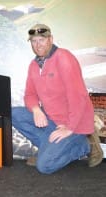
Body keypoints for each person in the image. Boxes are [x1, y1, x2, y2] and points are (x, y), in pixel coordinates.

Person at [11, 24, 103, 174]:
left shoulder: (64, 57)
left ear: (51, 39)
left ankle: (84, 145)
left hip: (74, 124)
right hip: (52, 120)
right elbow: (29, 95)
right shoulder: (34, 65)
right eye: (34, 41)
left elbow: (78, 97)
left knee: (45, 166)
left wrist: (70, 128)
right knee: (14, 114)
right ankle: (48, 149)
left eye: (41, 40)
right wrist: (35, 110)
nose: (37, 44)